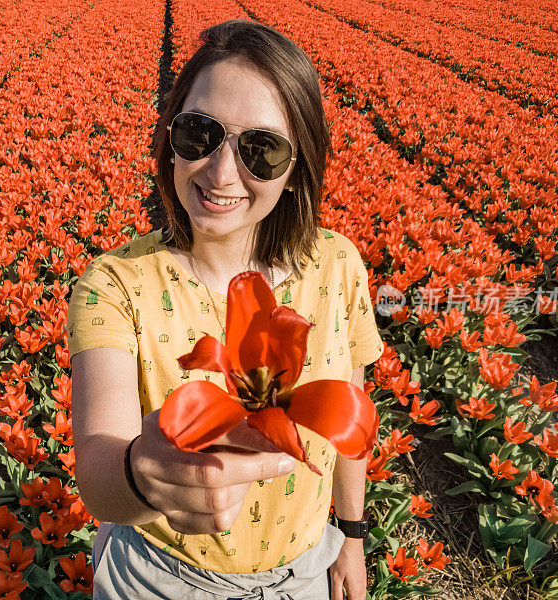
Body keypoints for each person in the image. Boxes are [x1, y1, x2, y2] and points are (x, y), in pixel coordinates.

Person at [66, 19, 384, 600]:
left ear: (295, 171)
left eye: (262, 150)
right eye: (197, 134)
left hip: (306, 570)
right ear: (168, 139)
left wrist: (353, 538)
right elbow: (97, 473)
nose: (220, 173)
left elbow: (349, 416)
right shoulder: (114, 286)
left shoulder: (338, 267)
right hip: (159, 577)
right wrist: (143, 473)